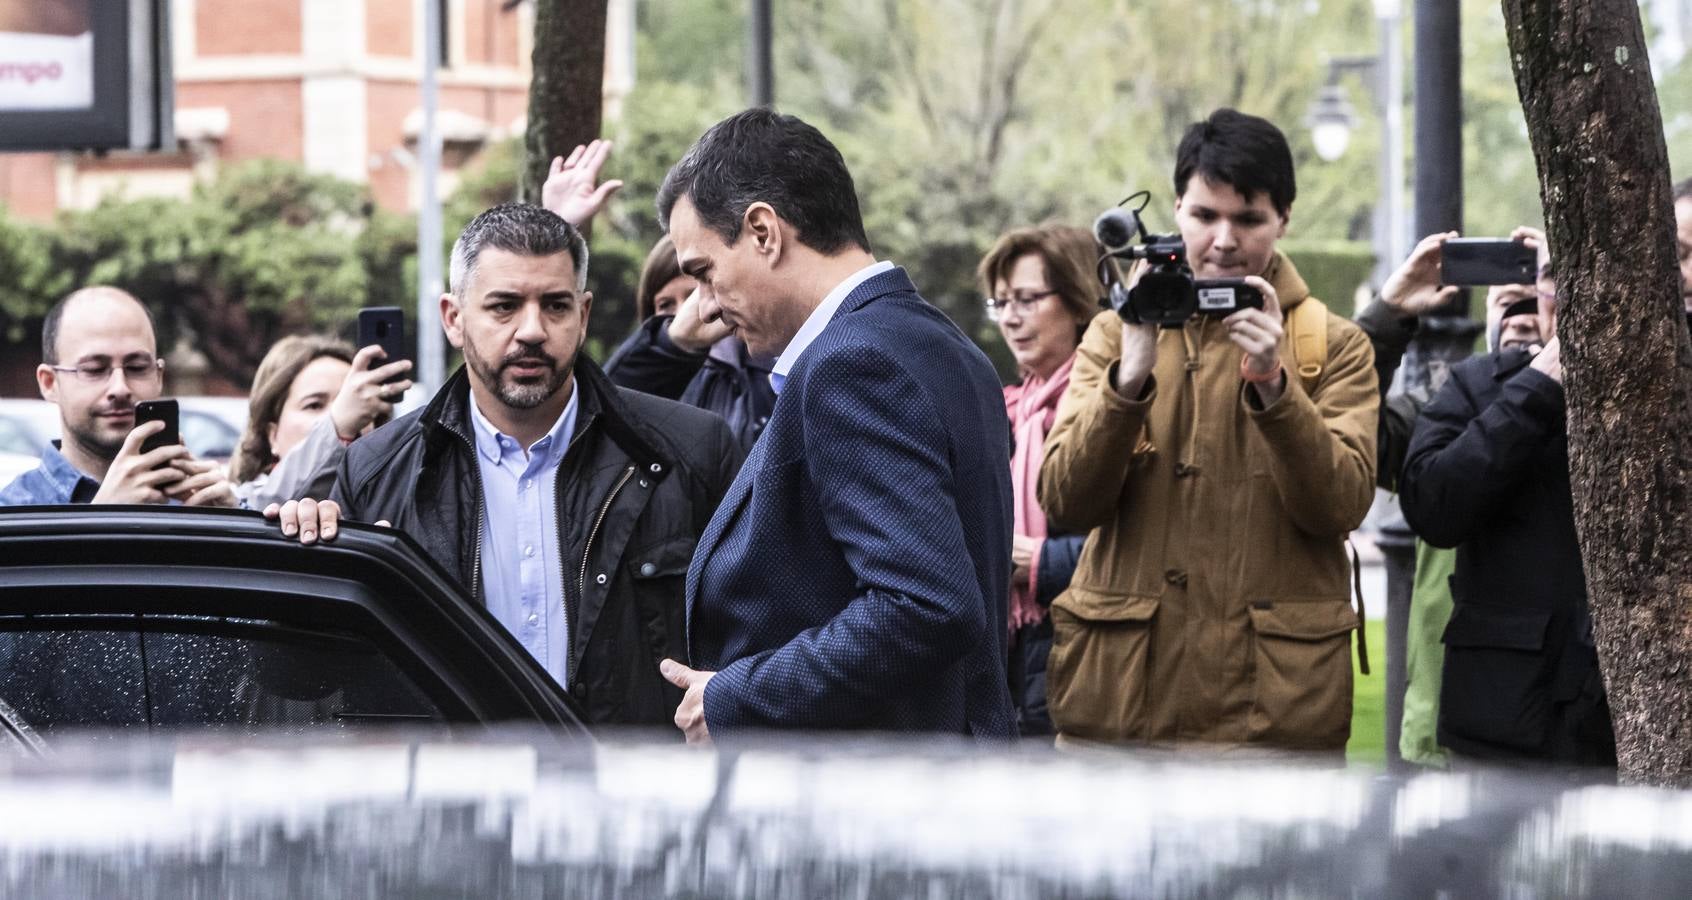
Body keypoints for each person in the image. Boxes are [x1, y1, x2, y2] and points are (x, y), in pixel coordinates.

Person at [269, 203, 742, 728]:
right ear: (453, 318)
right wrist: (307, 566)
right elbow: (308, 679)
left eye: (556, 306)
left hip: (630, 792)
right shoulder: (376, 472)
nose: (532, 330)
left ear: (583, 315)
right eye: (504, 306)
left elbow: (756, 633)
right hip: (457, 797)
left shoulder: (691, 450)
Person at [656, 108, 1017, 743]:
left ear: (764, 231)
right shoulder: (944, 344)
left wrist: (737, 697)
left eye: (705, 272)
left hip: (878, 807)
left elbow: (924, 606)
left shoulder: (850, 364)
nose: (705, 305)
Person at [1037, 109, 1378, 752]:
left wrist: (1277, 388)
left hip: (1267, 726)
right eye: (1204, 216)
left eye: (1248, 219)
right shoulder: (1114, 334)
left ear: (1284, 221)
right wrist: (1129, 380)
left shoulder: (1333, 345)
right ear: (1176, 211)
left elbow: (1340, 505)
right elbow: (1063, 499)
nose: (1224, 240)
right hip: (1122, 716)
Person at [1399, 256, 1615, 767]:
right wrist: (1537, 389)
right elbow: (1433, 506)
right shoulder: (1481, 384)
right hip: (1503, 717)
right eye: (1551, 285)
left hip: (1629, 720)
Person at [549, 140, 778, 451]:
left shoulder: (776, 365)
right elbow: (598, 416)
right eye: (665, 305)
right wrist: (557, 230)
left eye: (695, 291)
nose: (687, 312)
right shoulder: (653, 376)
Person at [977, 223, 1098, 736]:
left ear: (1078, 301)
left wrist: (1043, 562)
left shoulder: (1111, 404)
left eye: (1027, 299)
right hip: (1010, 669)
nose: (1010, 317)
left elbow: (1157, 545)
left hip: (1088, 662)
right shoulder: (1005, 409)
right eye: (1000, 302)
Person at [1, 286, 236, 508]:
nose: (120, 388)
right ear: (49, 383)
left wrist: (239, 526)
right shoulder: (14, 512)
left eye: (136, 367)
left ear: (159, 376)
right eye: (94, 369)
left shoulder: (196, 499)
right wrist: (103, 519)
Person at [228, 335, 413, 510]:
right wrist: (337, 427)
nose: (351, 415)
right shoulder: (236, 504)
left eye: (357, 403)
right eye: (314, 405)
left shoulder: (400, 503)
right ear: (273, 435)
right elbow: (267, 510)